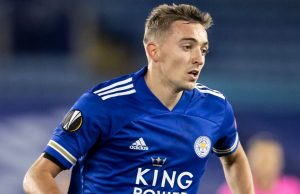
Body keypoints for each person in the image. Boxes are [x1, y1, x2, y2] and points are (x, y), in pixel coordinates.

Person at [23, 4, 254, 194]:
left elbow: (234, 158)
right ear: (154, 51)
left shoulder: (215, 108)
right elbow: (37, 176)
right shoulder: (104, 104)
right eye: (187, 47)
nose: (198, 59)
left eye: (203, 50)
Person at [217, 133, 300, 194]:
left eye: (269, 159)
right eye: (261, 159)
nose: (265, 165)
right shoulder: (232, 189)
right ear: (249, 161)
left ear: (280, 162)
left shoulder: (294, 188)